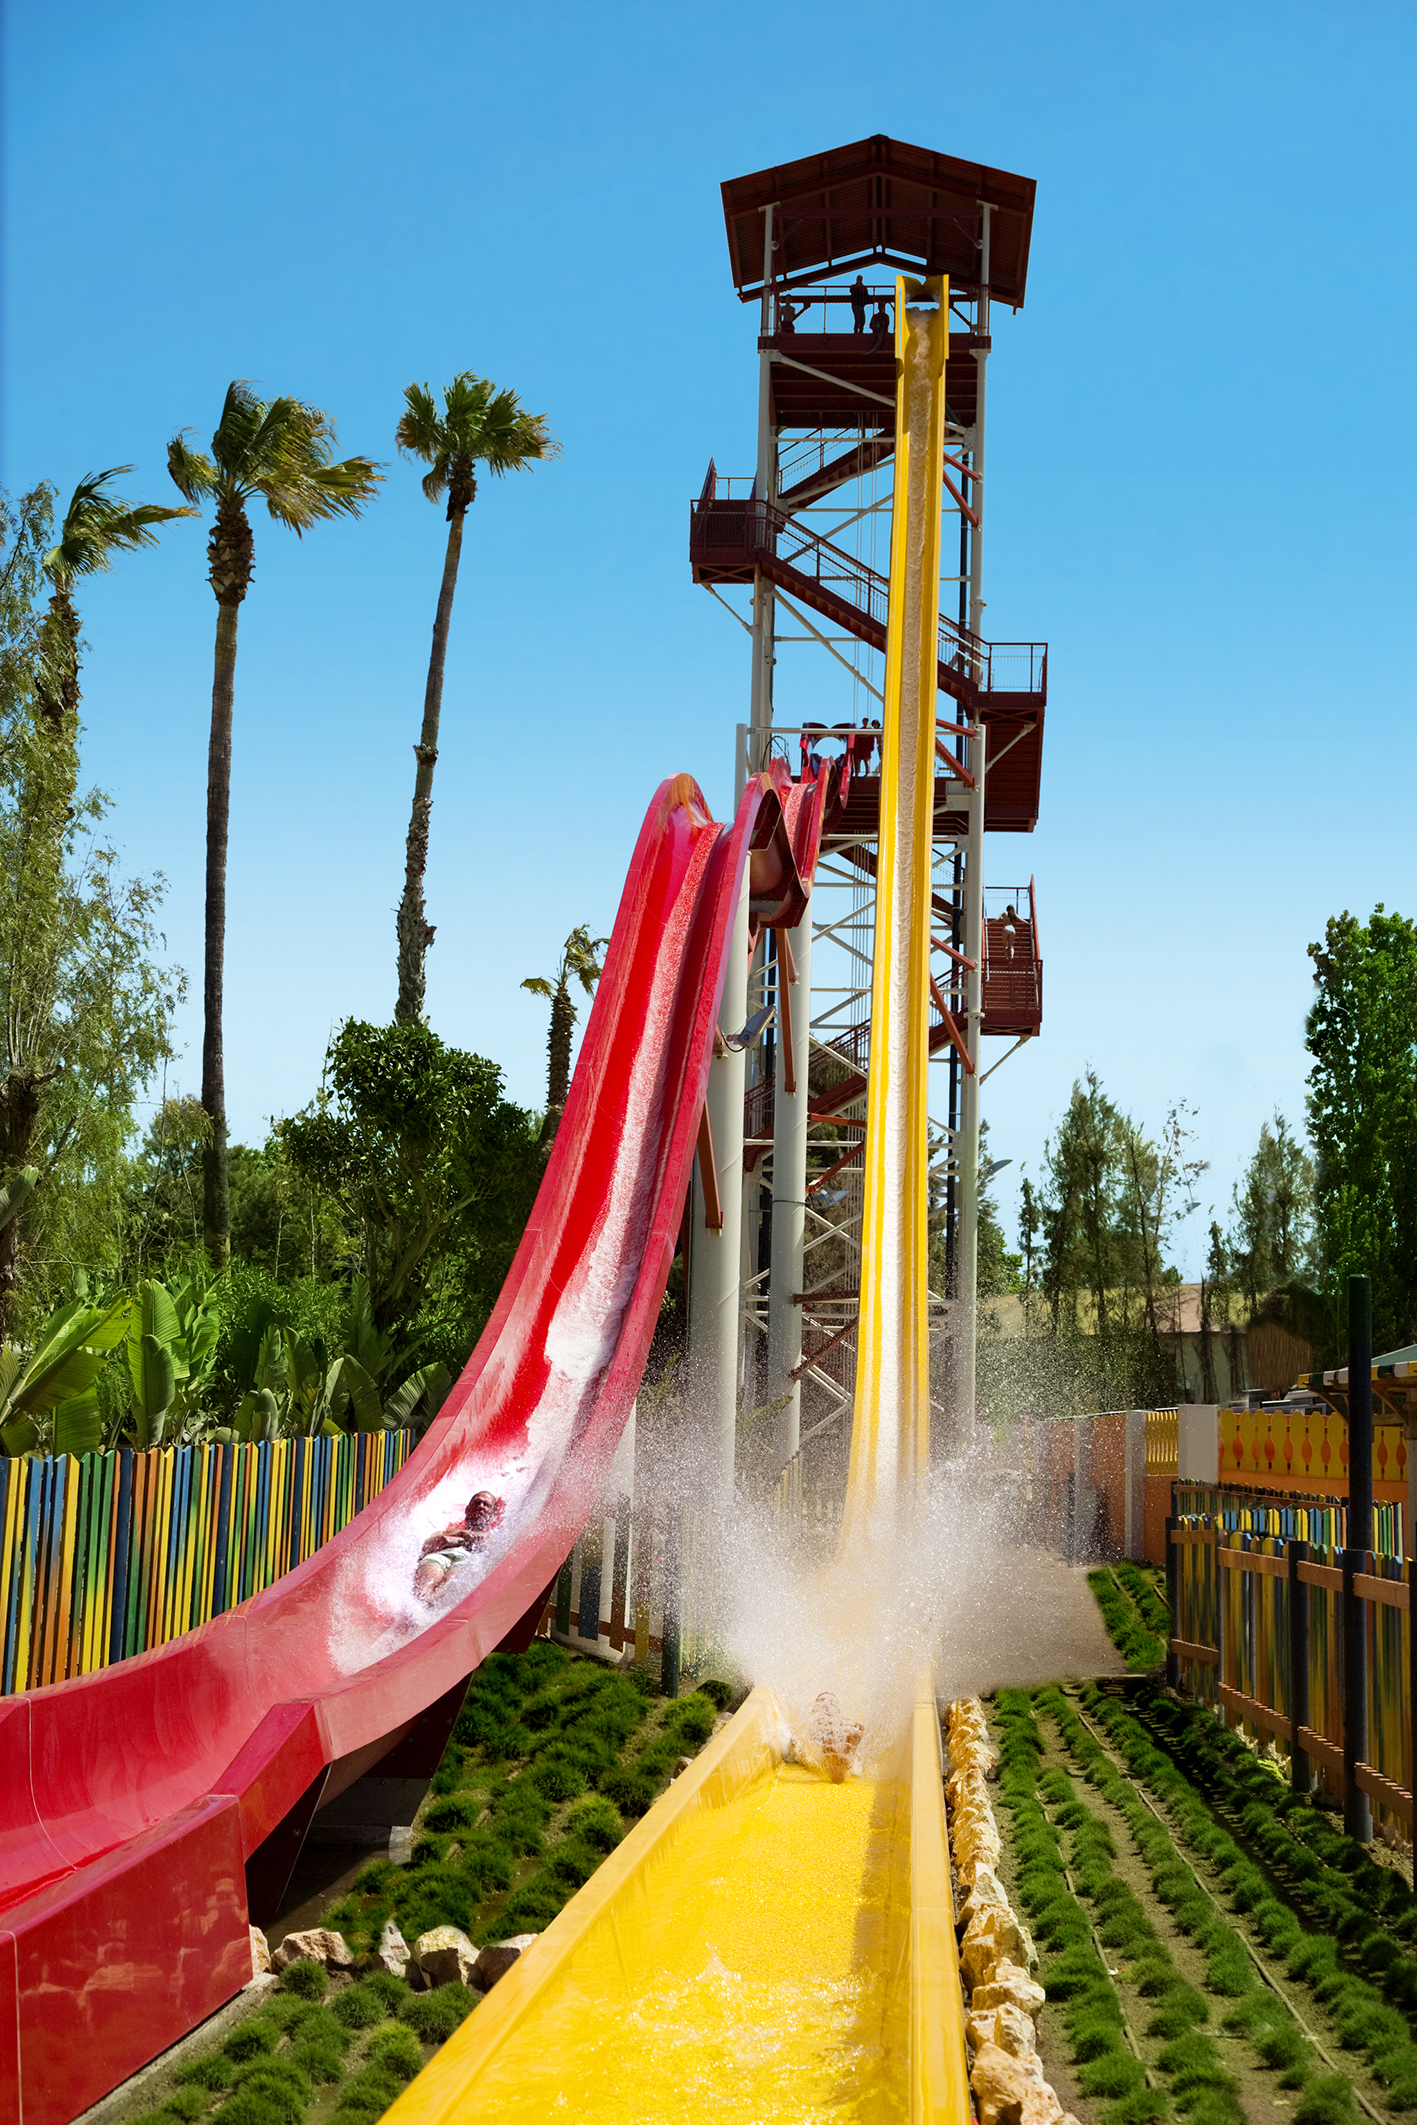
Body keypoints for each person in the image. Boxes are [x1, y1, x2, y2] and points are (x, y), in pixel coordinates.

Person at [413, 1490, 505, 1604]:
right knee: (426, 1584)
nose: (481, 1506)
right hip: (440, 1556)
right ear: (467, 1509)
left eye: (486, 1505)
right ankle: (420, 1604)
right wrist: (447, 1539)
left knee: (451, 1580)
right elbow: (428, 1545)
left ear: (493, 1514)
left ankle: (431, 1607)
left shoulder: (494, 1538)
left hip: (465, 1561)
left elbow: (487, 1544)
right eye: (477, 1503)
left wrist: (455, 1538)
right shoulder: (446, 1531)